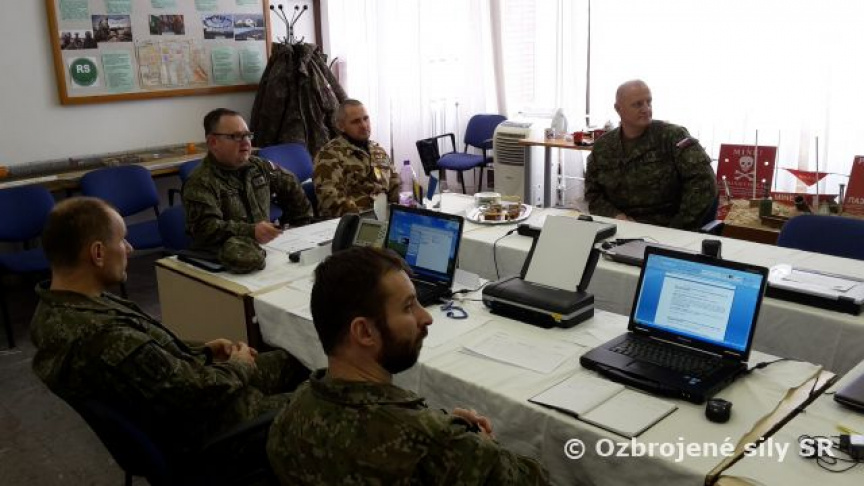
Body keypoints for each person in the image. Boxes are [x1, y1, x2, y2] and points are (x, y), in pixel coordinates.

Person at [30, 197, 307, 474]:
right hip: (217, 427)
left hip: (185, 400)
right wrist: (239, 366)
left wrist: (203, 351)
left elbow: (150, 362)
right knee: (318, 397)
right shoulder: (104, 336)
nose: (129, 248)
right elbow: (197, 392)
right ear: (98, 253)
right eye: (122, 240)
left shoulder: (56, 310)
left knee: (296, 358)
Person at [266, 247, 549, 485]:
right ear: (364, 332)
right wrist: (482, 446)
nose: (426, 317)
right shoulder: (436, 443)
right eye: (408, 307)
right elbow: (535, 480)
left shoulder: (290, 415)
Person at [183, 108, 313, 273]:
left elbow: (291, 185)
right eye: (236, 136)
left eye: (247, 135)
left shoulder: (258, 166)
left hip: (268, 251)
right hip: (224, 259)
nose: (245, 142)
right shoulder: (201, 181)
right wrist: (251, 231)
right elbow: (206, 228)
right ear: (213, 142)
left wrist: (299, 228)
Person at [584, 80, 717, 230]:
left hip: (667, 228)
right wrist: (616, 217)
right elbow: (593, 194)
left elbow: (704, 184)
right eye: (638, 104)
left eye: (649, 102)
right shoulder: (603, 146)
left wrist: (677, 228)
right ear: (618, 108)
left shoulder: (672, 137)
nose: (646, 109)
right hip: (620, 228)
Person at [313, 99, 400, 219]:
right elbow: (330, 200)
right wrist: (368, 219)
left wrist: (406, 205)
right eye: (356, 122)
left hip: (385, 217)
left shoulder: (378, 150)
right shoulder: (329, 155)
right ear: (341, 126)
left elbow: (395, 184)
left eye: (366, 118)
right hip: (354, 221)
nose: (364, 125)